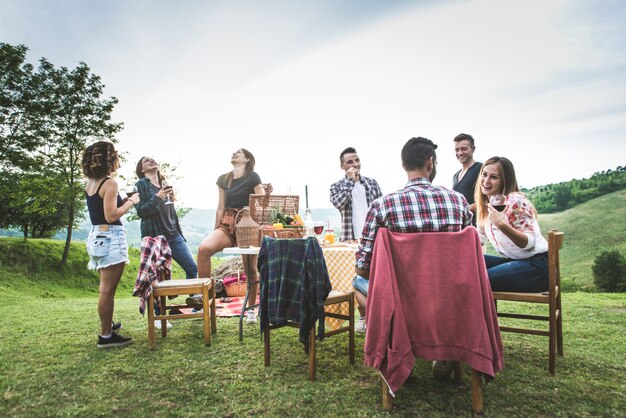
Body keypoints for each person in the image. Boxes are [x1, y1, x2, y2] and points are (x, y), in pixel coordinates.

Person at [354, 137, 472, 334]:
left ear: (403, 165)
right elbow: (468, 256)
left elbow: (363, 267)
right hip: (448, 294)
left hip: (401, 297)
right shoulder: (459, 202)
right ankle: (442, 349)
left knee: (356, 281)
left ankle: (394, 330)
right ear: (430, 162)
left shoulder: (382, 206)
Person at [196, 148, 271, 324]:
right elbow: (220, 206)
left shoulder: (253, 177)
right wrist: (217, 227)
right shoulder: (224, 179)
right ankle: (204, 298)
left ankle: (251, 311)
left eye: (238, 152)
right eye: (233, 152)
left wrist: (266, 193)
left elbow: (261, 202)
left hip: (248, 224)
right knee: (204, 249)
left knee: (250, 269)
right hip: (228, 221)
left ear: (246, 159)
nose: (234, 153)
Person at [82, 141, 140, 349]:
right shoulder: (110, 183)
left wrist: (122, 198)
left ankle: (108, 325)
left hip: (97, 236)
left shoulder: (91, 183)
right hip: (110, 236)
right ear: (109, 158)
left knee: (104, 288)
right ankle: (106, 336)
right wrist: (132, 201)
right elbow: (111, 215)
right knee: (107, 290)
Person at [134, 156, 198, 329]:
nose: (151, 161)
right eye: (146, 161)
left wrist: (165, 197)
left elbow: (170, 211)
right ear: (142, 169)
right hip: (155, 237)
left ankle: (194, 305)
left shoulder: (164, 182)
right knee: (157, 277)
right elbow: (141, 211)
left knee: (192, 268)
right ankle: (159, 314)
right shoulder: (140, 185)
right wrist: (158, 197)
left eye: (153, 159)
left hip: (174, 235)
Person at [474, 156, 549, 292]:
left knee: (477, 280)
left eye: (494, 177)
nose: (486, 181)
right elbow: (480, 239)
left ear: (504, 181)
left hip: (538, 268)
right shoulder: (486, 204)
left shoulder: (515, 201)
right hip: (515, 261)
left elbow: (529, 244)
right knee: (465, 265)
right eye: (484, 175)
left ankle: (483, 314)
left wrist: (502, 224)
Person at [330, 147, 383, 243]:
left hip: (373, 238)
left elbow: (382, 210)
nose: (355, 164)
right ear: (342, 166)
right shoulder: (336, 186)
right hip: (350, 240)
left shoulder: (372, 183)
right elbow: (338, 204)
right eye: (350, 162)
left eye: (357, 160)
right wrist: (350, 180)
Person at [452, 133, 481, 223]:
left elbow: (489, 200)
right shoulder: (455, 176)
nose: (460, 153)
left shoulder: (481, 169)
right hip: (462, 225)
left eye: (464, 149)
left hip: (478, 225)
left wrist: (466, 208)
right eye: (457, 150)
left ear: (473, 149)